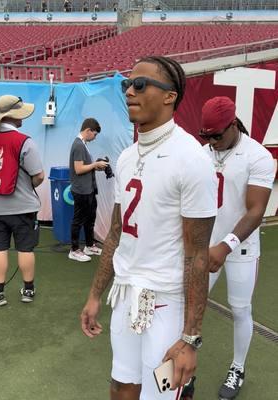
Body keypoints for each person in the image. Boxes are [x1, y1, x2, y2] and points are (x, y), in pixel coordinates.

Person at [81, 56, 218, 400]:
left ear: (170, 96)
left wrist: (189, 338)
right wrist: (95, 295)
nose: (129, 91)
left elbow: (198, 255)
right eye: (126, 85)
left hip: (167, 307)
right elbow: (116, 233)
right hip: (127, 297)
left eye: (140, 85)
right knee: (122, 386)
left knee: (159, 395)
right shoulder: (127, 157)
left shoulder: (192, 159)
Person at [199, 96, 276, 400]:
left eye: (217, 134)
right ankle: (185, 366)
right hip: (205, 245)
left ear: (233, 125)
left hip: (240, 248)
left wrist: (226, 245)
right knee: (191, 303)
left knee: (241, 309)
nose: (212, 141)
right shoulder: (201, 153)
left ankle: (238, 367)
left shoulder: (257, 156)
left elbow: (256, 211)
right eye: (207, 136)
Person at [0, 95, 44, 306]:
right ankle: (28, 291)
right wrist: (27, 186)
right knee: (25, 249)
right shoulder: (25, 141)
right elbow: (39, 176)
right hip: (24, 208)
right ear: (14, 116)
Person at [68, 118, 108, 263]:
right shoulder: (78, 145)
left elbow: (84, 167)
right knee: (78, 220)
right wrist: (95, 164)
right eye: (95, 134)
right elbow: (78, 169)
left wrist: (94, 166)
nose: (95, 137)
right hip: (81, 191)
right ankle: (74, 250)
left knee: (90, 219)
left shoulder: (83, 145)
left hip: (89, 189)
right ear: (88, 131)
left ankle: (89, 246)